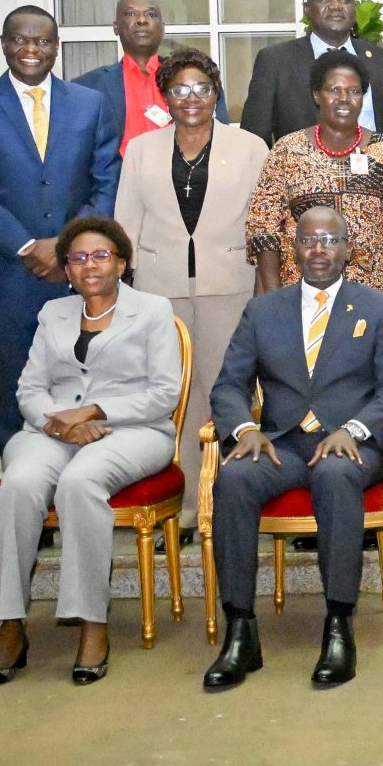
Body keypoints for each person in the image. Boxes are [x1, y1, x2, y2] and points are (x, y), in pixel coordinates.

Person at [203, 205, 383, 692]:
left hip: (349, 446)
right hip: (282, 445)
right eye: (308, 240)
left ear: (348, 249)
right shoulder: (263, 310)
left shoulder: (378, 308)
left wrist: (358, 429)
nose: (319, 249)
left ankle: (338, 626)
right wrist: (243, 431)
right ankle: (240, 632)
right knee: (233, 480)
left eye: (330, 240)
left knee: (336, 473)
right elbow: (228, 387)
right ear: (294, 248)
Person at [0, 217, 184, 687]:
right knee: (17, 484)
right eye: (78, 258)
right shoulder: (53, 314)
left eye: (101, 256)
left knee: (80, 481)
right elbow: (29, 389)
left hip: (133, 430)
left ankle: (92, 622)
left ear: (122, 263)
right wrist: (61, 424)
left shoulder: (152, 310)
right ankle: (11, 624)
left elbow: (163, 395)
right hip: (55, 429)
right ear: (67, 270)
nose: (89, 265)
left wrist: (93, 412)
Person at [0, 5, 119, 445]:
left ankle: (79, 486)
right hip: (9, 273)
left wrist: (65, 249)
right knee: (13, 382)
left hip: (78, 272)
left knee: (85, 377)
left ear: (56, 47)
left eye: (42, 41)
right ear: (4, 44)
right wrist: (27, 246)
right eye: (20, 40)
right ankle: (21, 489)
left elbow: (106, 182)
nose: (31, 49)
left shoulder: (89, 103)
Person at [115, 46, 271, 501]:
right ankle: (183, 502)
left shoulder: (250, 148)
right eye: (180, 88)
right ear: (165, 95)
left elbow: (262, 223)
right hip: (159, 291)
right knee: (175, 398)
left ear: (216, 93)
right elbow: (125, 225)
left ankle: (230, 497)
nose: (191, 97)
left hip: (229, 286)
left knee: (225, 391)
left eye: (202, 88)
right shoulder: (141, 150)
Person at [244, 50, 383, 294]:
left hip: (375, 296)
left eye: (354, 91)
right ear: (317, 95)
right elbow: (263, 226)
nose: (344, 99)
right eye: (334, 90)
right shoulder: (287, 150)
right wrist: (276, 298)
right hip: (300, 293)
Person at [239, 0, 383, 145]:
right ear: (307, 9)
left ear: (354, 10)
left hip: (374, 168)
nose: (336, 5)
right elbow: (253, 138)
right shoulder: (275, 60)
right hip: (300, 169)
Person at [73, 0, 208, 154]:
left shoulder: (197, 78)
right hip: (119, 178)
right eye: (130, 14)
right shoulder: (88, 87)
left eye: (151, 15)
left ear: (162, 27)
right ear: (116, 27)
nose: (142, 20)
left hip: (183, 177)